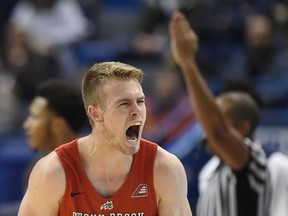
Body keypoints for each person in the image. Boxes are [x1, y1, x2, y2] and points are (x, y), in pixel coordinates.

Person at [18, 61, 193, 215]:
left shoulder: (165, 169)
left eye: (140, 101)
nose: (137, 111)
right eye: (124, 104)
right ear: (95, 114)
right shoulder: (52, 172)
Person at [169, 11, 270, 216]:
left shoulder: (255, 160)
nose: (206, 126)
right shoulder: (212, 170)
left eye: (221, 119)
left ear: (243, 128)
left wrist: (188, 64)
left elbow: (218, 132)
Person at [0, 79, 88, 216]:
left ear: (58, 125)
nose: (26, 125)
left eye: (35, 117)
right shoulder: (40, 163)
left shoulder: (88, 169)